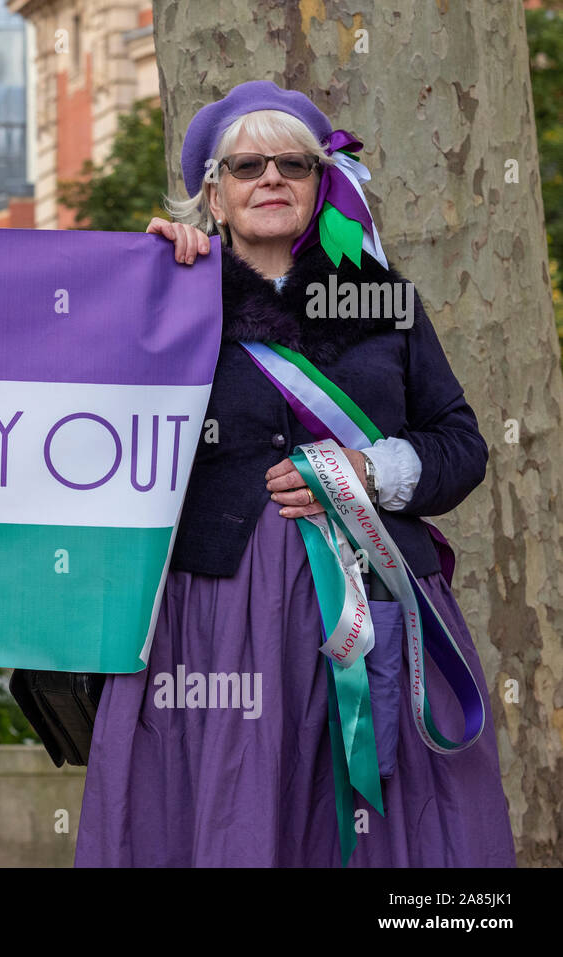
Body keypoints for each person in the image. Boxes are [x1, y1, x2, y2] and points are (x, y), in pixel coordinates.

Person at [75, 80, 515, 866]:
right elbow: (80, 427)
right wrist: (136, 283)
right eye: (247, 165)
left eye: (293, 164)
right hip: (215, 621)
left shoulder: (383, 303)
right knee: (238, 810)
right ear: (213, 194)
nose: (271, 178)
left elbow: (462, 444)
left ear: (320, 187)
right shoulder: (168, 302)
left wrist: (368, 469)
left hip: (380, 604)